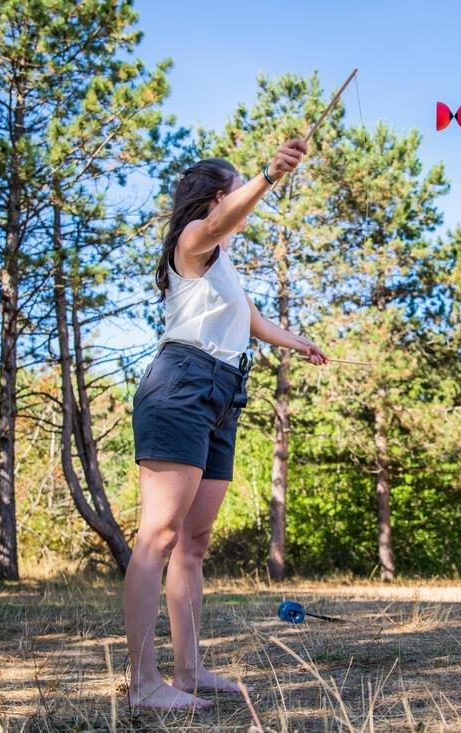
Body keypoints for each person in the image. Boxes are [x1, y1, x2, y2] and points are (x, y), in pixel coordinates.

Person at [125, 141, 328, 709]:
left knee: (192, 543)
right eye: (235, 188)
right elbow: (219, 221)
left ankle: (188, 673)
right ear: (219, 197)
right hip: (181, 385)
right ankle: (144, 684)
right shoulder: (191, 242)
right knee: (158, 537)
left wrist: (297, 342)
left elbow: (252, 318)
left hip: (223, 392)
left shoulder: (223, 268)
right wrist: (267, 175)